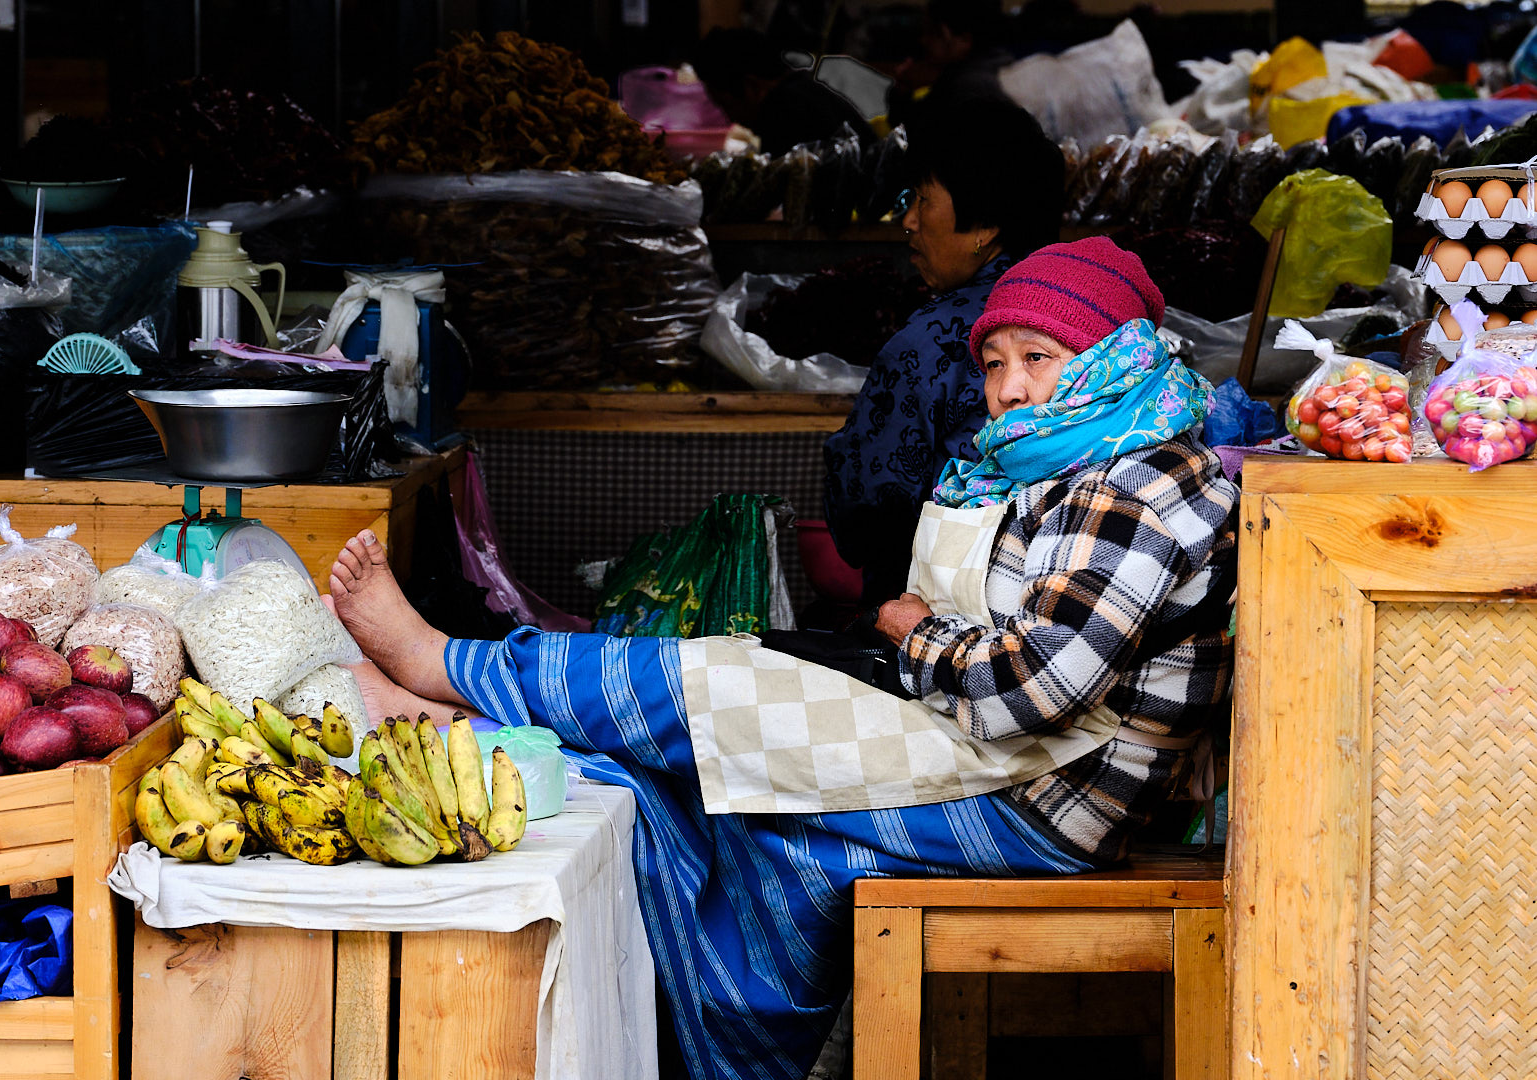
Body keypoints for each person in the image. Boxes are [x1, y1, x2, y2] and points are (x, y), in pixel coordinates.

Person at [330, 236, 1236, 1080]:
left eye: (1039, 358)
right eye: (995, 363)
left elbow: (1024, 691)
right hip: (1010, 764)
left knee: (704, 696)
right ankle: (474, 727)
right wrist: (922, 641)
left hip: (1043, 798)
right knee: (760, 825)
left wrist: (911, 628)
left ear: (1119, 355)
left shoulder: (1134, 490)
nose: (1008, 389)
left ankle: (445, 666)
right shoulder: (1078, 462)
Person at [823, 92, 1064, 606]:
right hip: (1068, 592)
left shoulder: (929, 343)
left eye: (922, 199)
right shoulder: (1084, 317)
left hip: (932, 615)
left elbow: (867, 512)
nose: (908, 221)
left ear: (983, 226)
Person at [692, 27, 876, 157]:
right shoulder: (801, 90)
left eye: (726, 105)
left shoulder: (783, 111)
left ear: (752, 86)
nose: (730, 119)